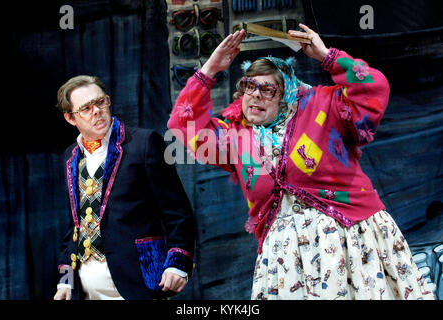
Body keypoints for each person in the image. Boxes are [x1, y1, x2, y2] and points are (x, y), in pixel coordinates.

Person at [168, 24, 434, 300]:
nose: (256, 94)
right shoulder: (233, 136)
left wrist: (327, 56)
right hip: (285, 264)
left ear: (286, 96)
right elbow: (182, 127)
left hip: (352, 243)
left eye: (268, 89)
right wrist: (210, 69)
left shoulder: (324, 107)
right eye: (249, 86)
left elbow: (373, 89)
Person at [53, 75, 195, 300]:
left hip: (138, 284)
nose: (97, 111)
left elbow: (178, 212)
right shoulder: (69, 157)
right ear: (71, 118)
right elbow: (74, 228)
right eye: (86, 108)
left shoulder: (144, 143)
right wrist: (65, 281)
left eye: (100, 102)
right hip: (85, 290)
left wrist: (178, 264)